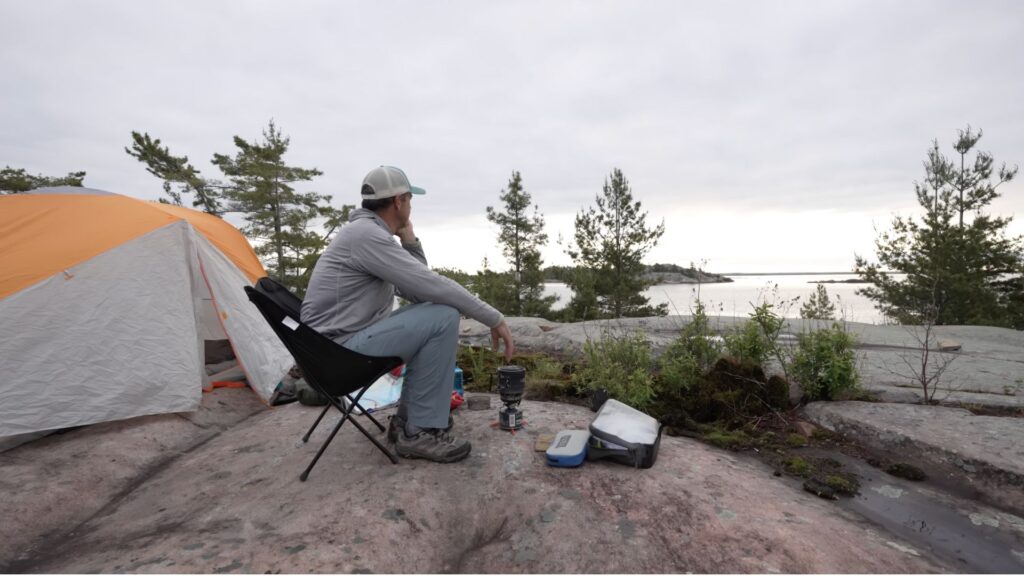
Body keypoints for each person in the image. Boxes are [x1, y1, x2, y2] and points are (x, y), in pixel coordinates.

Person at [302, 165, 515, 463]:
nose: (411, 206)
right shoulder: (366, 237)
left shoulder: (365, 235)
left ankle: (410, 421)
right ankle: (419, 431)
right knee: (442, 316)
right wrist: (494, 318)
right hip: (336, 358)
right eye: (410, 200)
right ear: (399, 201)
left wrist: (410, 242)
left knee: (437, 313)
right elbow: (431, 286)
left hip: (330, 353)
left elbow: (417, 291)